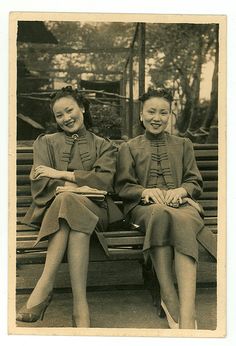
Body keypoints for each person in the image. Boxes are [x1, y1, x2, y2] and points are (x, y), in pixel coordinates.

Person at [16, 86, 122, 327]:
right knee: (67, 202)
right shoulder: (45, 142)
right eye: (59, 115)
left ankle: (44, 286)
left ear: (82, 108)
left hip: (96, 210)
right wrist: (80, 184)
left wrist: (61, 176)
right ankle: (80, 308)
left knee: (66, 199)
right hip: (57, 209)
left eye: (69, 110)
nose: (66, 118)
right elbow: (41, 181)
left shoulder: (103, 145)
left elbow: (105, 181)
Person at [115, 87, 204, 329]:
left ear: (170, 115)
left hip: (181, 205)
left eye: (163, 112)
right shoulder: (129, 148)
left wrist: (181, 191)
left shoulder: (184, 145)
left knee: (181, 218)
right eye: (151, 112)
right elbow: (122, 186)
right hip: (144, 209)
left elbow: (194, 181)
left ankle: (187, 309)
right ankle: (169, 294)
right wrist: (144, 192)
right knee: (160, 213)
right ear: (141, 115)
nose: (157, 118)